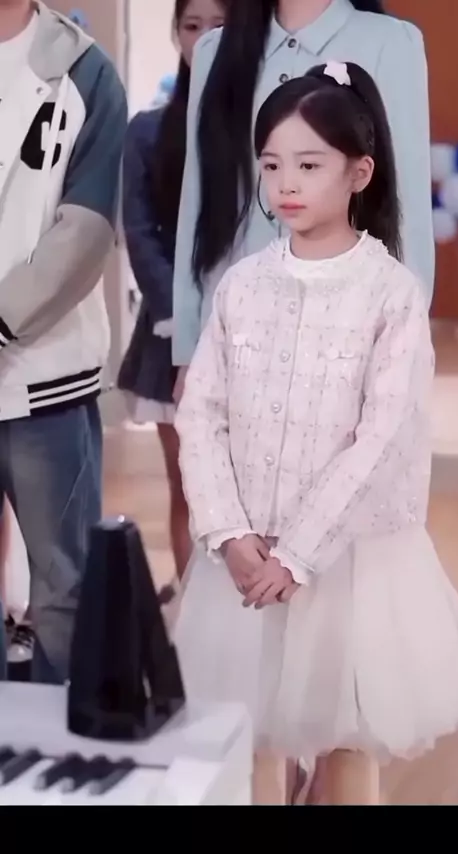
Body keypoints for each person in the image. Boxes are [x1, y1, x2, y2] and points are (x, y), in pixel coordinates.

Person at [173, 62, 458, 806]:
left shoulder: (390, 294)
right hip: (244, 559)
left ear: (358, 173)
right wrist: (229, 533)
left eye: (309, 165)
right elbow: (201, 413)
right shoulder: (242, 286)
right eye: (272, 164)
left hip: (350, 564)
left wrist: (300, 552)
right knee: (245, 737)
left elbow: (382, 436)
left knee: (348, 738)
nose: (287, 183)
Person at [171, 0, 434, 392]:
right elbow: (199, 203)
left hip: (348, 333)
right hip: (233, 332)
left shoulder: (392, 42)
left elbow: (406, 206)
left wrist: (405, 349)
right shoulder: (215, 51)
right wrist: (188, 351)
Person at [0, 0, 127, 684]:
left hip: (46, 375)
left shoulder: (86, 71)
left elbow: (85, 230)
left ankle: (62, 739)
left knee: (63, 590)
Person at [118, 0, 228, 582]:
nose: (204, 38)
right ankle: (190, 608)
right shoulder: (148, 131)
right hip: (170, 336)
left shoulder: (270, 123)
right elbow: (138, 234)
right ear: (175, 33)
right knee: (189, 486)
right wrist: (185, 322)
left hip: (257, 335)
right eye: (192, 25)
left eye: (220, 25)